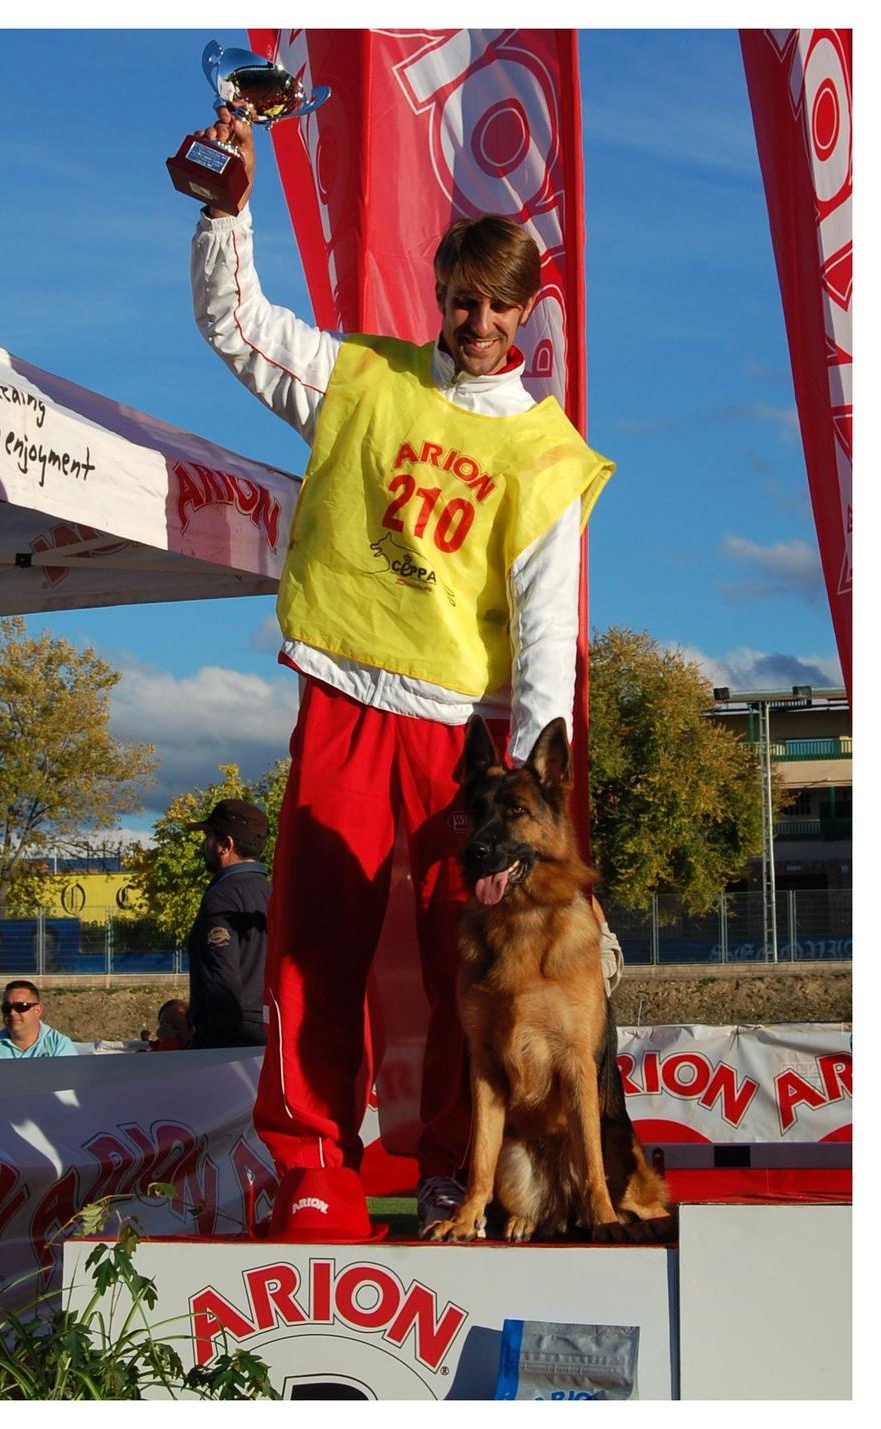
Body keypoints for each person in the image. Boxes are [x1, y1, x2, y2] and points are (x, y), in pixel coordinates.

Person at [188, 105, 612, 1240]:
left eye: (497, 306)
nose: (476, 322)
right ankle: (309, 1167)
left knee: (458, 964)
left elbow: (539, 631)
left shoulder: (545, 450)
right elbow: (235, 328)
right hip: (338, 703)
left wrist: (533, 803)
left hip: (459, 738)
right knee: (311, 945)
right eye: (461, 299)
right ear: (441, 292)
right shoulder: (362, 378)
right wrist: (227, 217)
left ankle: (445, 1171)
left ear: (528, 312)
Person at [182, 798, 270, 1050]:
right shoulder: (274, 893)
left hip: (230, 1041)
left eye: (208, 837)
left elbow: (221, 981)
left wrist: (216, 1050)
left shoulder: (221, 897)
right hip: (271, 1033)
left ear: (225, 845)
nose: (204, 844)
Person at [0, 980, 76, 1059]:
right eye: (7, 1007)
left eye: (21, 1006)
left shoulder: (58, 1045)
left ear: (38, 1010)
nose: (12, 1012)